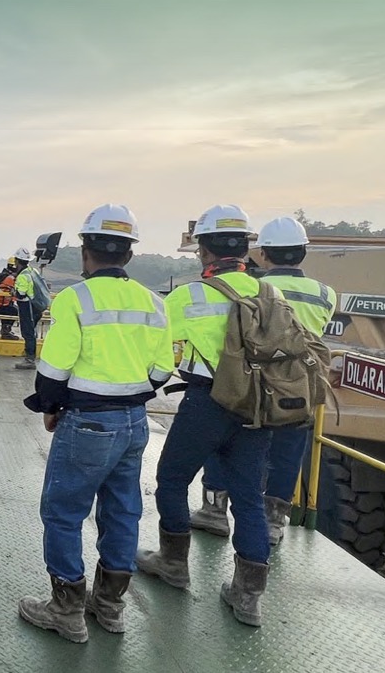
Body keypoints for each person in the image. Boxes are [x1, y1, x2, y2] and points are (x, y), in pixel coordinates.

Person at [18, 204, 174, 643]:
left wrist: (51, 405)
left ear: (86, 251)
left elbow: (53, 371)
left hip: (87, 422)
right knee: (123, 510)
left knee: (64, 512)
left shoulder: (74, 300)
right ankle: (110, 607)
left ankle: (66, 610)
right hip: (134, 423)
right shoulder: (154, 304)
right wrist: (131, 391)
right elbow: (163, 371)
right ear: (128, 254)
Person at [136, 204, 274, 627]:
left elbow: (159, 350)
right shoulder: (271, 294)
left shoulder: (188, 296)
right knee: (249, 498)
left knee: (173, 478)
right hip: (256, 406)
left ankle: (174, 564)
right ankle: (248, 596)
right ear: (246, 247)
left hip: (207, 402)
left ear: (203, 250)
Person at [189, 216, 337, 544]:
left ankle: (214, 509)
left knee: (224, 441)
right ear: (302, 253)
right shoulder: (326, 294)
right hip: (299, 384)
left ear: (264, 255)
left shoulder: (258, 288)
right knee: (288, 451)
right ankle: (274, 521)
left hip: (253, 380)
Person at [13, 248, 51, 369]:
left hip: (28, 307)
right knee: (31, 332)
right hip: (36, 307)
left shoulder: (23, 276)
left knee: (28, 333)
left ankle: (30, 359)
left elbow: (21, 294)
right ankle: (29, 356)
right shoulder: (32, 271)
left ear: (17, 261)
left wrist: (13, 292)